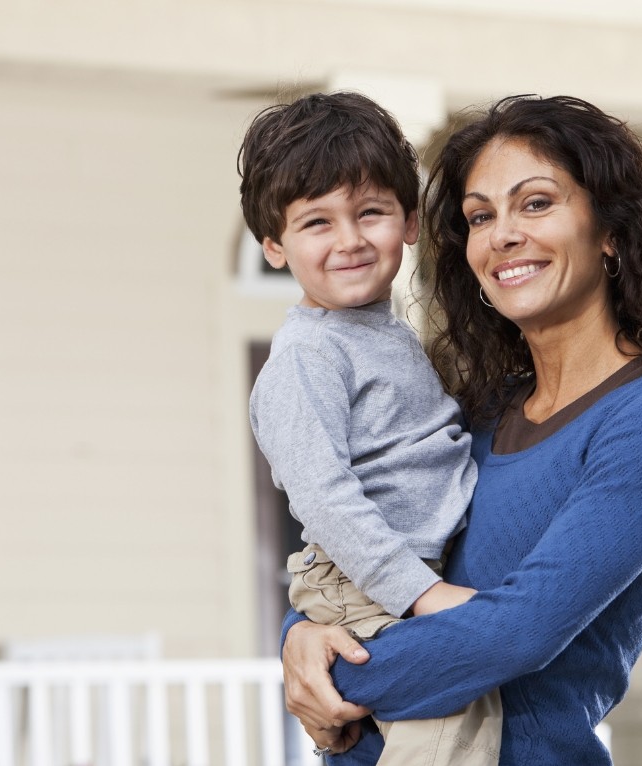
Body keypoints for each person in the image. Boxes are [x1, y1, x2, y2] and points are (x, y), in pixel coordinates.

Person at [281, 94, 642, 765]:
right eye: (480, 217)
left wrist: (333, 671)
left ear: (610, 229)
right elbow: (357, 547)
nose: (503, 235)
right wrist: (298, 635)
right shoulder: (476, 414)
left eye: (537, 203)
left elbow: (515, 634)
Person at [240, 91, 502, 765]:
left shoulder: (385, 336)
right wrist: (422, 593)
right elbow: (324, 498)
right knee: (451, 722)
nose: (350, 239)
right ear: (274, 245)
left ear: (409, 221)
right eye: (316, 223)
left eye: (370, 212)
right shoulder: (306, 357)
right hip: (364, 579)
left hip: (394, 571)